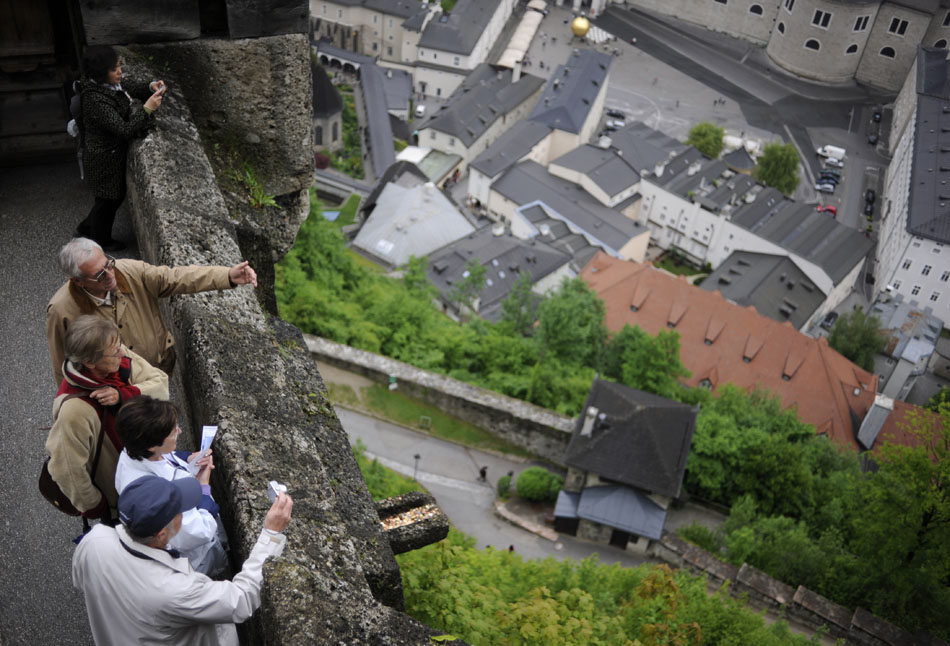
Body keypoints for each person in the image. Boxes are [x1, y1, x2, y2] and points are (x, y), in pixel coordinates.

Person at [73, 475, 293, 645]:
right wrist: (271, 535)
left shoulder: (94, 542)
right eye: (181, 509)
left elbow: (81, 581)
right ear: (161, 533)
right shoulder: (175, 590)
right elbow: (241, 599)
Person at [46, 237, 258, 385]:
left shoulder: (129, 271)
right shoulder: (62, 310)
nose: (110, 275)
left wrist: (228, 275)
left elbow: (176, 278)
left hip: (155, 372)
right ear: (78, 281)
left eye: (108, 264)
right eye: (99, 275)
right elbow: (61, 365)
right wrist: (70, 406)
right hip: (112, 390)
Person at [45, 316, 169, 520]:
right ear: (89, 362)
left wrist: (124, 394)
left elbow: (161, 385)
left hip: (152, 469)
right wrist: (98, 506)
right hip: (123, 500)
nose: (122, 352)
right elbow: (67, 470)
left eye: (119, 344)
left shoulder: (116, 354)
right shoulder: (74, 411)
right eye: (114, 352)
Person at [115, 396, 228, 576]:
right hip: (196, 559)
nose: (180, 431)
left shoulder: (134, 450)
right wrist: (204, 488)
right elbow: (198, 532)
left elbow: (166, 459)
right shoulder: (152, 496)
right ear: (152, 445)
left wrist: (188, 460)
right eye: (173, 432)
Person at [75, 45, 167, 251]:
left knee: (108, 199)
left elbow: (130, 86)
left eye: (119, 66)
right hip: (103, 159)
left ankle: (86, 227)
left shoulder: (108, 85)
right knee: (109, 199)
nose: (119, 72)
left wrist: (151, 86)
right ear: (100, 73)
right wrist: (147, 109)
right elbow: (123, 130)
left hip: (111, 154)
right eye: (114, 68)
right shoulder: (94, 99)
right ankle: (101, 240)